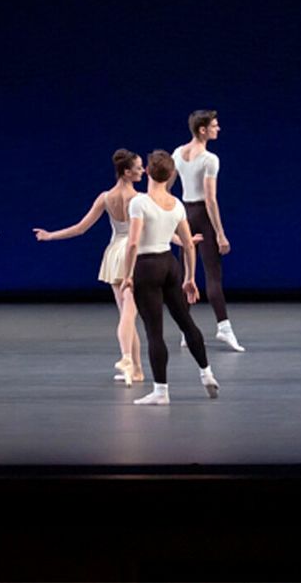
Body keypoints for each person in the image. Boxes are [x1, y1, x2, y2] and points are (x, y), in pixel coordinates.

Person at [33, 150, 148, 386]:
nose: (143, 170)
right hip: (131, 253)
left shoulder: (106, 197)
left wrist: (50, 235)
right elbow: (156, 229)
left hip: (115, 253)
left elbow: (80, 228)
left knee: (126, 313)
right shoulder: (139, 199)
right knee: (130, 313)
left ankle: (136, 370)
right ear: (127, 172)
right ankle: (127, 358)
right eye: (138, 167)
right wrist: (184, 241)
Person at [121, 150, 219, 405]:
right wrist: (190, 277)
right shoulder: (177, 204)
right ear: (171, 175)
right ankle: (206, 373)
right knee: (186, 322)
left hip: (146, 266)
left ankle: (161, 391)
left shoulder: (139, 203)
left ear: (149, 174)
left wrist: (127, 275)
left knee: (155, 332)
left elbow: (132, 243)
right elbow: (188, 244)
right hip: (169, 264)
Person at [170, 110, 243, 351]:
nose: (218, 128)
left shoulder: (178, 153)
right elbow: (210, 200)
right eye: (214, 125)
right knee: (212, 274)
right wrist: (220, 233)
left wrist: (171, 216)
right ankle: (224, 328)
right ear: (202, 130)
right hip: (202, 215)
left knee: (186, 273)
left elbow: (165, 186)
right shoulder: (210, 158)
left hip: (184, 215)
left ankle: (184, 330)